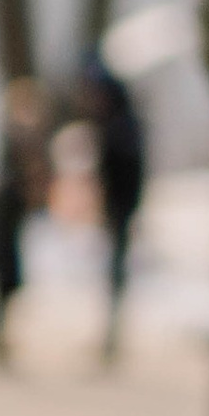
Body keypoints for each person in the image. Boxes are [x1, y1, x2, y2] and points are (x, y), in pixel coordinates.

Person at [72, 53, 148, 362]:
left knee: (115, 271)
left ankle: (111, 335)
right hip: (119, 205)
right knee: (110, 270)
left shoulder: (120, 128)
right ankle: (109, 333)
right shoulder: (117, 124)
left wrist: (119, 204)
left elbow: (127, 172)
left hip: (121, 206)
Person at [0, 76, 55, 369]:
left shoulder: (30, 137)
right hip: (4, 216)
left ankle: (1, 334)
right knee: (3, 278)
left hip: (16, 216)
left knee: (10, 281)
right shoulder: (10, 135)